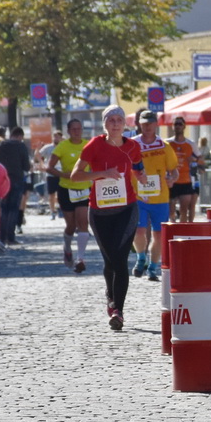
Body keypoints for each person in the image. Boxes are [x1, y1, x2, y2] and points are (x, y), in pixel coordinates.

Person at [65, 105, 145, 330]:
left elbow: (138, 165)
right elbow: (76, 175)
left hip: (126, 209)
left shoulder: (133, 146)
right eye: (111, 120)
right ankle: (110, 295)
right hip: (100, 212)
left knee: (120, 259)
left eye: (119, 120)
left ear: (125, 124)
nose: (116, 124)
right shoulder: (95, 145)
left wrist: (142, 175)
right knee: (110, 260)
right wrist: (102, 174)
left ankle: (118, 311)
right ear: (105, 124)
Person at [130, 110, 178, 280]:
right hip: (138, 196)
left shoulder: (164, 146)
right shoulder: (133, 144)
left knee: (159, 234)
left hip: (160, 197)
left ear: (156, 124)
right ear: (139, 124)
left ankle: (153, 267)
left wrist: (172, 179)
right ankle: (141, 258)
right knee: (139, 231)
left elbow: (174, 170)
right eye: (144, 123)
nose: (147, 127)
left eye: (150, 123)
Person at [50, 118, 93, 272]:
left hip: (84, 189)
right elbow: (50, 167)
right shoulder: (62, 146)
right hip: (66, 189)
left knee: (83, 223)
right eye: (73, 129)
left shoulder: (88, 145)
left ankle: (80, 259)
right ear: (68, 131)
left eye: (79, 128)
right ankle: (67, 247)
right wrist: (64, 175)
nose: (76, 131)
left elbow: (95, 165)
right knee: (71, 225)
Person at [0, 125, 33, 243]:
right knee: (13, 208)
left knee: (4, 208)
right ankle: (10, 237)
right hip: (17, 180)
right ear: (20, 136)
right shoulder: (21, 146)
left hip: (2, 180)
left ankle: (2, 237)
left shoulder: (0, 145)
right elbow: (26, 166)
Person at [168, 117, 203, 222]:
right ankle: (173, 228)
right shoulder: (167, 143)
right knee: (171, 211)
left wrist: (195, 160)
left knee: (184, 210)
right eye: (176, 124)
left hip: (186, 181)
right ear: (172, 126)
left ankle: (182, 229)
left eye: (180, 124)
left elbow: (201, 160)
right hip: (171, 181)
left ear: (184, 126)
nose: (178, 126)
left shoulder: (190, 144)